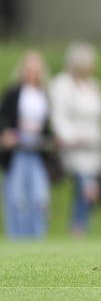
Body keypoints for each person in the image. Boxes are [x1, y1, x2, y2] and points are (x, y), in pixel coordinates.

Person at [50, 42, 101, 236]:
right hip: (73, 145)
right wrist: (71, 136)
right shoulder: (62, 84)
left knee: (90, 190)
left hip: (93, 145)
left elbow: (97, 117)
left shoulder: (94, 85)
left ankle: (80, 225)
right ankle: (78, 227)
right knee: (85, 186)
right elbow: (59, 116)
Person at [0, 51, 52, 239]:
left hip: (37, 149)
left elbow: (48, 127)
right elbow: (4, 119)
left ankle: (37, 236)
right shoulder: (13, 93)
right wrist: (6, 134)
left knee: (39, 197)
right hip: (18, 149)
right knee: (17, 197)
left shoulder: (44, 94)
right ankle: (17, 237)